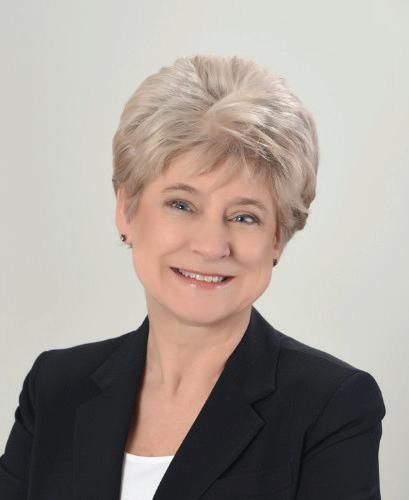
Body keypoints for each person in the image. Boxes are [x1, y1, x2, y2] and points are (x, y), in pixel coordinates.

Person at [0, 54, 385, 500]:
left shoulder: (331, 407)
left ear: (278, 238)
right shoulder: (55, 387)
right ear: (126, 210)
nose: (211, 245)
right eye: (182, 205)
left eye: (244, 216)